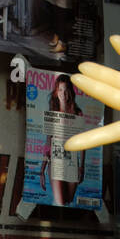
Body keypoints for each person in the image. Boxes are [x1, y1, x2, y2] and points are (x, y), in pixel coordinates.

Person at [40, 73, 85, 206]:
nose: (63, 94)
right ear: (56, 92)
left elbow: (82, 142)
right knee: (60, 203)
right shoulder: (53, 113)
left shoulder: (77, 113)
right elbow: (48, 142)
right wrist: (42, 169)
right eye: (60, 90)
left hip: (72, 163)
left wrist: (82, 167)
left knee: (68, 202)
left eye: (66, 90)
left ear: (70, 92)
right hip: (56, 162)